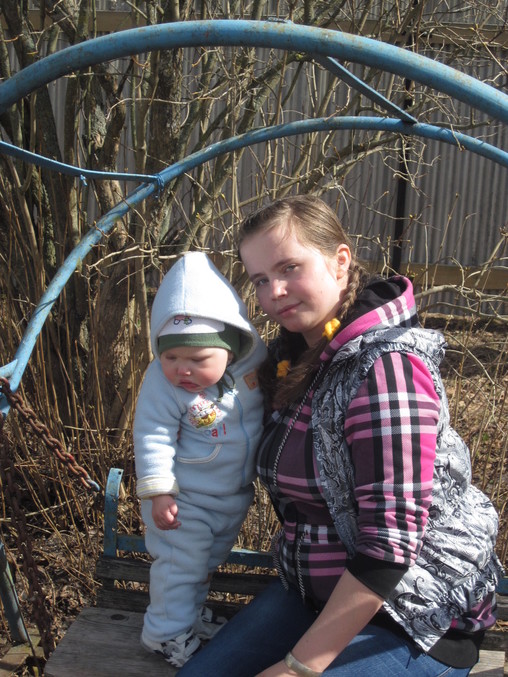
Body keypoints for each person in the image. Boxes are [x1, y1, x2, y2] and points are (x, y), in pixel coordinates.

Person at [178, 196, 504, 677]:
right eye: (260, 279)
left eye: (289, 268)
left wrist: (297, 667)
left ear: (340, 261)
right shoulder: (293, 359)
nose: (275, 291)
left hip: (414, 614)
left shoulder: (385, 368)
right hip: (314, 594)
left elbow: (389, 546)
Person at [133, 251, 267, 668]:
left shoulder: (253, 368)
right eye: (171, 357)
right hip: (182, 501)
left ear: (231, 348)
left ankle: (187, 617)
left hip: (230, 496)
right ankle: (164, 635)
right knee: (180, 567)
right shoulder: (162, 384)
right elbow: (152, 434)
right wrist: (159, 492)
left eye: (197, 360)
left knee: (204, 564)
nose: (182, 370)